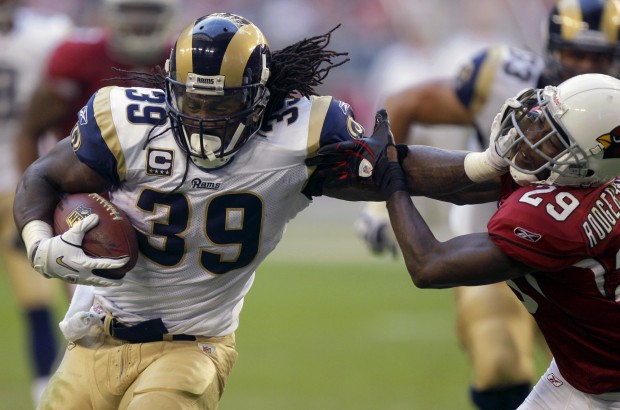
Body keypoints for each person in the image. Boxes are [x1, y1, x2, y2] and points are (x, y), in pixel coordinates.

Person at [11, 12, 387, 409]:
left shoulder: (298, 134)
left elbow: (400, 171)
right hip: (95, 337)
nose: (204, 116)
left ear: (257, 97)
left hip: (192, 346)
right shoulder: (126, 117)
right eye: (194, 100)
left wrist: (443, 167)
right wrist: (37, 241)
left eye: (221, 102)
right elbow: (41, 176)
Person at [355, 1, 620, 407]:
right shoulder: (584, 154)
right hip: (577, 337)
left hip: (597, 368)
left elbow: (430, 265)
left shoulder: (556, 213)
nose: (585, 66)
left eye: (600, 56)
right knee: (501, 355)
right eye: (575, 53)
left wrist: (389, 187)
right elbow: (464, 181)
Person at [0, 0, 73, 404]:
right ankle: (44, 388)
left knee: (37, 296)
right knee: (39, 295)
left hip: (21, 180)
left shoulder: (49, 36)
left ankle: (46, 387)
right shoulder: (49, 36)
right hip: (22, 180)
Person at [16, 0, 179, 171]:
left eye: (150, 10)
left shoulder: (184, 60)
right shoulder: (77, 56)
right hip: (87, 184)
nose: (139, 20)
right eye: (129, 10)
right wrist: (39, 189)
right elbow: (30, 132)